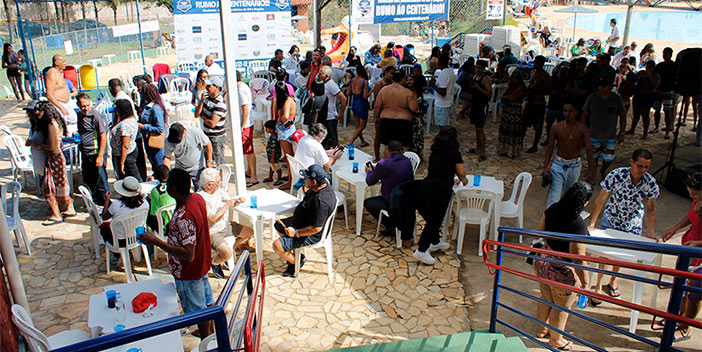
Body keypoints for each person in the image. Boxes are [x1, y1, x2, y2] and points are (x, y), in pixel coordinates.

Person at [139, 168, 214, 339]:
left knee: (198, 310)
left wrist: (156, 241)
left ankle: (207, 341)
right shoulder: (197, 198)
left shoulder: (184, 217)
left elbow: (188, 254)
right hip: (201, 264)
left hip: (189, 271)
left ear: (172, 190)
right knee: (208, 301)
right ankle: (212, 333)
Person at [587, 149, 659, 303]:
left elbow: (651, 208)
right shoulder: (616, 175)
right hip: (612, 219)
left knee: (622, 257)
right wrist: (592, 223)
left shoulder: (650, 182)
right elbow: (600, 200)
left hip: (632, 224)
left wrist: (651, 232)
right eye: (640, 166)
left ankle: (613, 280)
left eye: (647, 167)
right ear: (631, 162)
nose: (643, 170)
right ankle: (598, 286)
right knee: (604, 255)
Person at [534, 181, 593, 351]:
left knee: (545, 298)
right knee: (561, 306)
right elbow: (579, 258)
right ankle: (556, 339)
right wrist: (586, 282)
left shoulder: (552, 209)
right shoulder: (578, 224)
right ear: (584, 203)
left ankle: (541, 329)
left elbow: (542, 232)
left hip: (543, 261)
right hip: (561, 271)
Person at [414, 127, 468, 265]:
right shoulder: (454, 153)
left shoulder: (435, 152)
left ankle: (435, 242)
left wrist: (451, 177)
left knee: (433, 217)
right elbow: (461, 173)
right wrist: (464, 180)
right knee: (435, 220)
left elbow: (440, 169)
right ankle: (421, 250)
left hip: (427, 185)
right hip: (440, 189)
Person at [272, 164, 337, 277]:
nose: (304, 180)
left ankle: (296, 261)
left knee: (277, 245)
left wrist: (296, 233)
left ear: (314, 182)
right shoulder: (321, 186)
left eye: (306, 178)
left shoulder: (321, 202)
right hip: (302, 221)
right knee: (278, 225)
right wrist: (305, 189)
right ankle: (295, 254)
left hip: (310, 233)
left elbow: (316, 228)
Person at [661, 172, 702, 341]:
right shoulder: (697, 200)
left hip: (698, 252)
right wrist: (675, 228)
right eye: (690, 194)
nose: (691, 196)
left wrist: (699, 245)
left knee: (694, 292)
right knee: (682, 285)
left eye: (695, 194)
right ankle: (679, 316)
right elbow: (691, 216)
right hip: (689, 247)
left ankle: (685, 327)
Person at [25, 102, 76, 225]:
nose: (33, 114)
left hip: (54, 159)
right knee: (58, 185)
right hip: (52, 159)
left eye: (35, 111)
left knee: (50, 187)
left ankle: (56, 214)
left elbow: (53, 147)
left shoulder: (51, 124)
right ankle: (67, 208)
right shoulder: (43, 123)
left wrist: (35, 144)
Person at [197, 168, 253, 278]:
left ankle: (230, 251)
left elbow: (230, 200)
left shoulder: (217, 190)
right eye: (218, 181)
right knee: (227, 253)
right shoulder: (200, 198)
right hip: (212, 232)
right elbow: (212, 219)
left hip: (224, 225)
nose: (220, 183)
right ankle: (214, 262)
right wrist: (227, 205)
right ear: (209, 185)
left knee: (249, 232)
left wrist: (237, 201)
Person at [543, 102, 594, 207]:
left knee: (570, 194)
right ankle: (550, 220)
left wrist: (590, 169)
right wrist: (545, 167)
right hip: (559, 163)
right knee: (554, 195)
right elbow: (550, 147)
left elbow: (589, 149)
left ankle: (564, 220)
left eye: (570, 111)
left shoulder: (582, 128)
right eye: (565, 111)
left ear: (576, 112)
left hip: (574, 165)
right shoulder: (557, 127)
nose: (567, 114)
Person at [364, 141, 414, 236]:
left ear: (388, 151)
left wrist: (369, 172)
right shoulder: (407, 161)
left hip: (392, 200)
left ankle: (391, 224)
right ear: (402, 150)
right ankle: (393, 224)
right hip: (407, 198)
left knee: (368, 203)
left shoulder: (383, 164)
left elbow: (370, 181)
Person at [582, 78, 627, 183]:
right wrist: (583, 130)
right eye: (600, 86)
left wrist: (622, 132)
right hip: (593, 133)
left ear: (610, 87)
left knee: (608, 158)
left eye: (604, 86)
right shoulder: (592, 97)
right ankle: (592, 174)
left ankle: (603, 170)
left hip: (609, 135)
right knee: (593, 156)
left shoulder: (616, 99)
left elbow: (623, 115)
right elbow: (585, 114)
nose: (601, 88)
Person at [100, 176, 149, 264]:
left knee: (104, 229)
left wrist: (106, 201)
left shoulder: (116, 205)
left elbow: (104, 217)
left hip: (120, 241)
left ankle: (116, 255)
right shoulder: (144, 203)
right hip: (138, 236)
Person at [375, 70, 418, 158]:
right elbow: (414, 108)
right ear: (403, 79)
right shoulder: (407, 92)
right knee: (404, 146)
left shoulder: (384, 90)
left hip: (386, 120)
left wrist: (376, 117)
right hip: (403, 121)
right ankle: (402, 167)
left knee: (388, 146)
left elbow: (377, 106)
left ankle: (388, 166)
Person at [76, 93, 109, 205]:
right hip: (86, 153)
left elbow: (103, 135)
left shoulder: (95, 115)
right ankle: (96, 201)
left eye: (87, 105)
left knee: (101, 181)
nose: (85, 108)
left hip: (95, 153)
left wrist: (100, 155)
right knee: (89, 178)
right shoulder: (79, 115)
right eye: (83, 106)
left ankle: (106, 203)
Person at [194, 75, 228, 166]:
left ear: (216, 87)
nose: (206, 88)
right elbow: (196, 114)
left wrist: (202, 116)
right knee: (208, 161)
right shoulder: (206, 100)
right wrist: (201, 102)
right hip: (207, 135)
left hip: (217, 138)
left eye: (209, 86)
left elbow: (212, 123)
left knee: (219, 163)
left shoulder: (220, 104)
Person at [523, 55, 552, 154]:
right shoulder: (533, 73)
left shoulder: (545, 76)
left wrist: (538, 89)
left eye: (537, 62)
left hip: (539, 103)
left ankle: (535, 145)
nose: (535, 63)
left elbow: (549, 90)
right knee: (524, 124)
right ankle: (521, 141)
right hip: (530, 102)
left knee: (538, 126)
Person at [235, 71, 258, 187]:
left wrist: (242, 126)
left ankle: (254, 176)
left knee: (249, 151)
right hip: (248, 123)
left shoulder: (240, 90)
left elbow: (245, 109)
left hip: (246, 124)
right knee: (248, 149)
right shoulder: (243, 87)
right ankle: (250, 171)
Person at [497, 71, 527, 159]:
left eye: (516, 77)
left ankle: (512, 151)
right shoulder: (510, 86)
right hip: (507, 110)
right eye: (513, 77)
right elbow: (505, 96)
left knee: (513, 131)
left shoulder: (520, 87)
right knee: (505, 129)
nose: (514, 79)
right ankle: (504, 149)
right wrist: (505, 98)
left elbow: (511, 97)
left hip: (515, 111)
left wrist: (505, 98)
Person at [627, 60, 660, 139]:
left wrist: (649, 77)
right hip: (638, 95)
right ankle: (632, 129)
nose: (648, 68)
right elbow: (633, 80)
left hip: (648, 96)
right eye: (647, 66)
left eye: (650, 67)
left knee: (645, 115)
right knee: (636, 114)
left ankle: (645, 133)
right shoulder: (641, 72)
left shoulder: (656, 75)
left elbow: (655, 86)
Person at [111, 99, 142, 181]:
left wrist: (122, 162)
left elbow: (125, 145)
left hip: (126, 155)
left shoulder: (125, 125)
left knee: (133, 176)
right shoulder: (131, 119)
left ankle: (141, 192)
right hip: (128, 152)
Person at [138, 84, 167, 169]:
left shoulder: (155, 108)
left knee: (159, 165)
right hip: (147, 140)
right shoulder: (146, 106)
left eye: (142, 92)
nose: (140, 94)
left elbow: (160, 128)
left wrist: (143, 127)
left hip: (155, 142)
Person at [469, 60, 493, 160]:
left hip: (482, 105)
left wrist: (479, 88)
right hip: (475, 104)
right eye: (476, 67)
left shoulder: (485, 79)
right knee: (476, 128)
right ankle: (478, 147)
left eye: (480, 68)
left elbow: (489, 93)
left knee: (480, 128)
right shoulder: (475, 77)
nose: (477, 70)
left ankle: (483, 151)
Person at [45, 55, 77, 129]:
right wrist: (61, 107)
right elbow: (49, 94)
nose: (65, 63)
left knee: (74, 120)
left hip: (66, 103)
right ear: (56, 63)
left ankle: (71, 138)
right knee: (61, 126)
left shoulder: (59, 73)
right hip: (59, 104)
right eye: (63, 62)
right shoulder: (52, 73)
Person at [651, 47, 677, 139]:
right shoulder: (660, 66)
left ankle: (667, 130)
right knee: (657, 110)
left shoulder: (674, 66)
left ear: (670, 54)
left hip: (668, 91)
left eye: (666, 53)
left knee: (667, 111)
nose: (664, 55)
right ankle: (656, 127)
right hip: (659, 91)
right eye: (664, 53)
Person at [319, 65, 346, 149]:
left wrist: (341, 113)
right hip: (323, 115)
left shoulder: (331, 84)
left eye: (321, 74)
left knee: (332, 141)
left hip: (330, 116)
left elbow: (343, 98)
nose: (319, 75)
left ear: (327, 75)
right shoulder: (322, 83)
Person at [542, 63, 569, 146]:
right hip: (552, 105)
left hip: (561, 107)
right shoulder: (553, 79)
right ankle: (549, 139)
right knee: (549, 124)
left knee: (561, 125)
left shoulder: (568, 81)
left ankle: (558, 140)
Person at [147, 165, 176, 236]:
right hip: (179, 222)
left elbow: (154, 214)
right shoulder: (176, 184)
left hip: (167, 228)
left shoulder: (155, 191)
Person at [347, 65, 371, 147]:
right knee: (362, 125)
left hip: (354, 103)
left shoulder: (352, 80)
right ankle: (351, 141)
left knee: (358, 125)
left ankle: (362, 141)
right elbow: (365, 96)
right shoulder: (365, 82)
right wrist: (371, 91)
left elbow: (348, 93)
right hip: (362, 104)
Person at [430, 54, 456, 127]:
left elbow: (443, 92)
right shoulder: (450, 71)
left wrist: (433, 86)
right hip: (447, 102)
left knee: (442, 125)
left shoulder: (444, 74)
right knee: (443, 124)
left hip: (442, 103)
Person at [404, 73, 426, 156]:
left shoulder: (418, 91)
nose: (409, 82)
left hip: (418, 117)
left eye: (411, 80)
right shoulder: (405, 92)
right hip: (409, 117)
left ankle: (418, 155)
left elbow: (422, 103)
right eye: (407, 80)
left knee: (418, 136)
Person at [263, 120, 284, 185]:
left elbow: (273, 150)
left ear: (271, 129)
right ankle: (270, 177)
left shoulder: (274, 138)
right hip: (271, 155)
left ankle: (279, 179)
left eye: (267, 128)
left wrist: (272, 158)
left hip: (274, 156)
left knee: (276, 167)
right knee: (271, 166)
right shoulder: (273, 136)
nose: (266, 130)